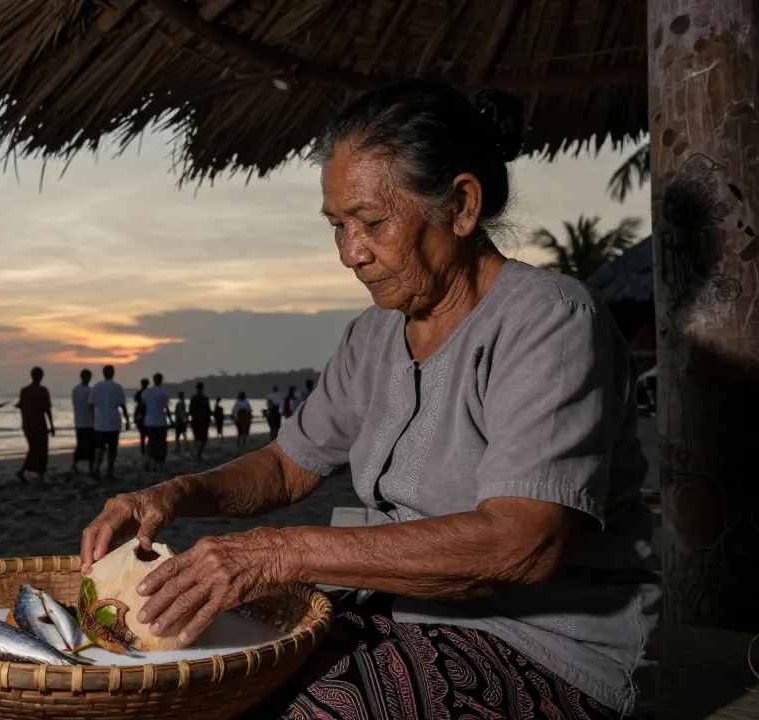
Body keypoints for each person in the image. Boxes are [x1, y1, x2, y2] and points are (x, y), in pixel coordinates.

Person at [78, 80, 657, 719]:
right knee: (189, 689)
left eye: (373, 223)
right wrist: (173, 495)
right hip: (395, 613)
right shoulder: (374, 334)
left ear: (462, 206)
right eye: (338, 226)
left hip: (544, 649)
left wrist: (280, 554)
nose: (352, 253)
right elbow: (285, 465)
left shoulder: (550, 321)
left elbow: (521, 543)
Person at [88, 365, 129, 480]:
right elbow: (123, 405)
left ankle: (97, 469)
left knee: (100, 448)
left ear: (103, 373)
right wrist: (127, 419)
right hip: (114, 422)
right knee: (112, 448)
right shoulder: (117, 387)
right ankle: (110, 471)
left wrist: (93, 418)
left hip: (100, 422)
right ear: (113, 373)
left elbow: (90, 404)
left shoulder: (97, 387)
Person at [15, 366, 55, 483]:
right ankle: (35, 473)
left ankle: (26, 471)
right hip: (39, 424)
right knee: (41, 449)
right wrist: (51, 425)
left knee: (33, 448)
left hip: (27, 424)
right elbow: (47, 409)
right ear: (41, 377)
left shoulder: (24, 391)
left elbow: (21, 406)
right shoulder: (43, 391)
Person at [140, 373, 172, 471]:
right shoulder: (163, 393)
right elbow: (166, 408)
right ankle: (159, 464)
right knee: (161, 443)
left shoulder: (146, 392)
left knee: (151, 442)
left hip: (149, 421)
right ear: (161, 380)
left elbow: (144, 404)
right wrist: (171, 420)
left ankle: (150, 461)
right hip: (160, 421)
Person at [70, 369, 96, 475]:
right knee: (91, 445)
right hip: (89, 422)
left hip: (79, 421)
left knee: (80, 444)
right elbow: (92, 406)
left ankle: (75, 464)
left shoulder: (75, 390)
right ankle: (90, 466)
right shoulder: (90, 390)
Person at [188, 383, 212, 461]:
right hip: (203, 421)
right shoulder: (205, 399)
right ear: (203, 388)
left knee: (197, 438)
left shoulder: (193, 398)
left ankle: (197, 454)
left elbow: (190, 410)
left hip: (195, 420)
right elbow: (208, 411)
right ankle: (199, 454)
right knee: (204, 439)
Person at [133, 378, 149, 456]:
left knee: (142, 434)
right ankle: (146, 449)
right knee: (148, 433)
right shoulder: (148, 393)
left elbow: (135, 400)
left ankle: (143, 449)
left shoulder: (139, 393)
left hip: (140, 414)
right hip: (147, 414)